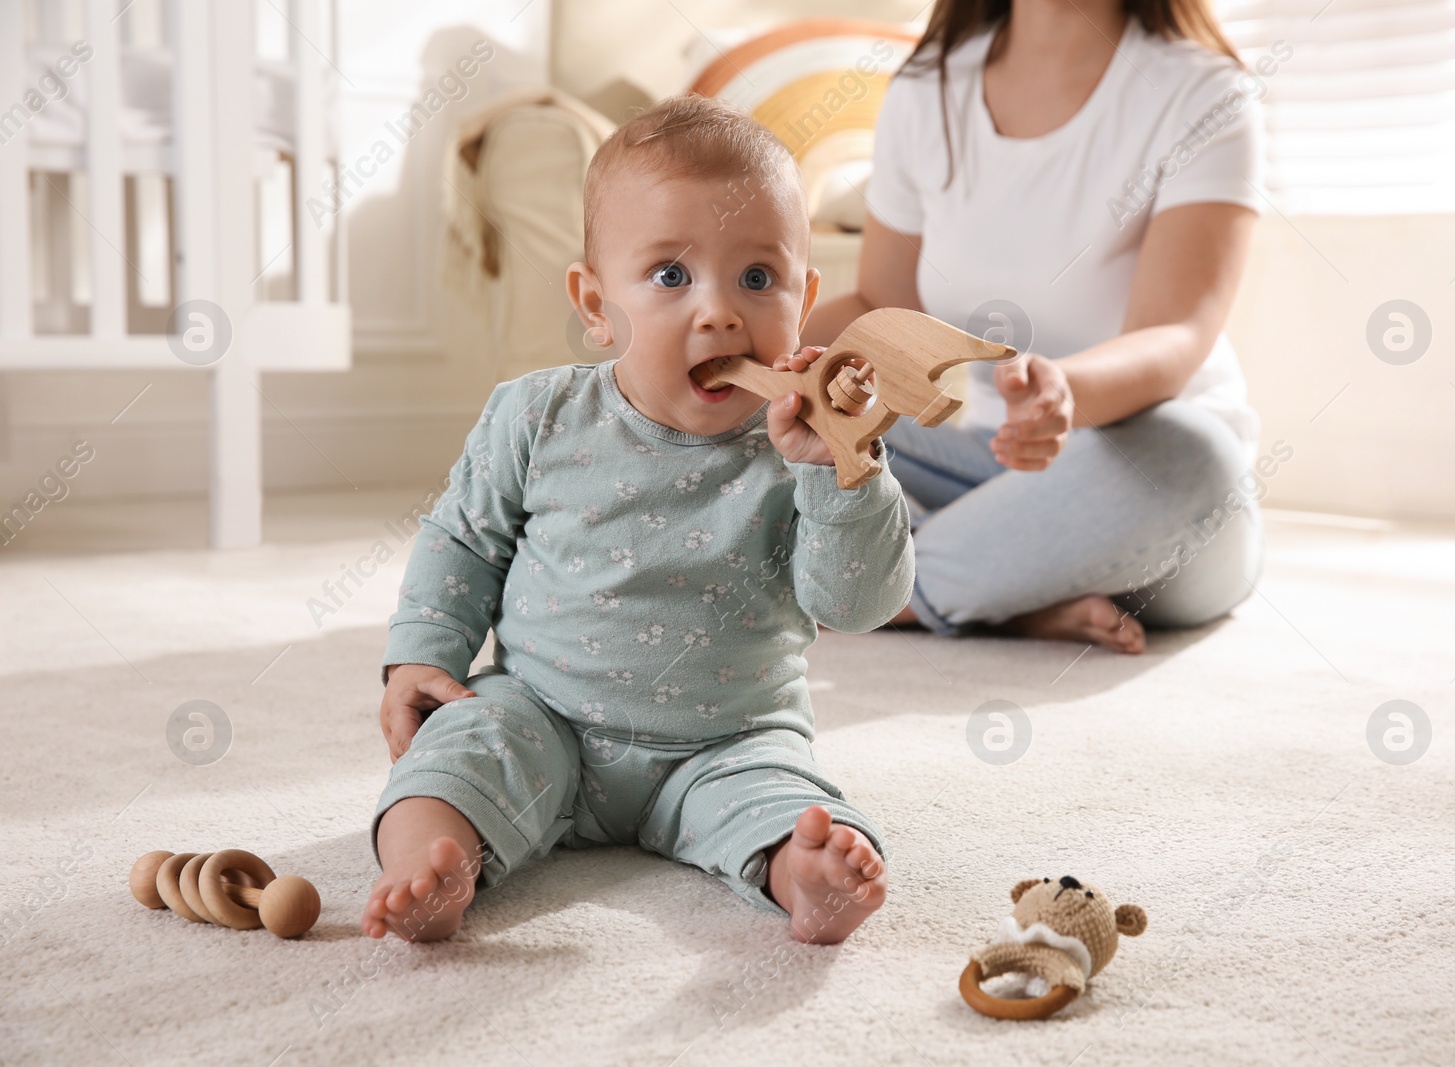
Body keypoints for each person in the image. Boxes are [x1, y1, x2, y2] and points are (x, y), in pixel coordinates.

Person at [363, 94, 909, 944]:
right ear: (594, 303)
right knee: (458, 753)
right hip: (542, 715)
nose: (720, 312)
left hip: (730, 738)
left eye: (758, 279)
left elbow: (854, 604)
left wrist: (845, 472)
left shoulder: (809, 446)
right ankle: (425, 865)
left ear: (805, 300)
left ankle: (807, 878)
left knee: (789, 803)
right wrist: (419, 658)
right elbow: (461, 539)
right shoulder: (537, 414)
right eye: (670, 276)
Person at [803, 0, 1268, 654]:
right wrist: (759, 353)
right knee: (789, 409)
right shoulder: (925, 89)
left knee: (1198, 457)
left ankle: (889, 587)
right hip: (987, 466)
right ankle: (1005, 595)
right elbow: (882, 303)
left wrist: (1064, 394)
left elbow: (1177, 334)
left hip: (1143, 487)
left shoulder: (1205, 92)